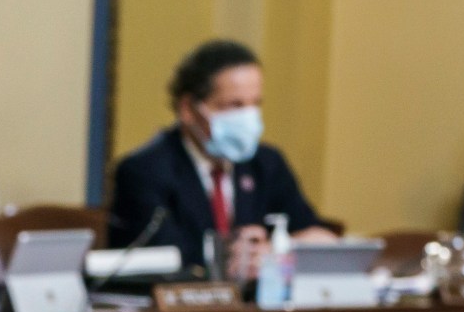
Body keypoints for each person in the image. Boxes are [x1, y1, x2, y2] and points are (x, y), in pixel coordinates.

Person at [108, 39, 336, 281]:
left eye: (255, 104)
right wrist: (230, 260)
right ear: (188, 109)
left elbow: (316, 236)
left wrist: (276, 253)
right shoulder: (145, 171)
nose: (248, 117)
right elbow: (161, 261)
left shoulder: (267, 164)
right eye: (235, 105)